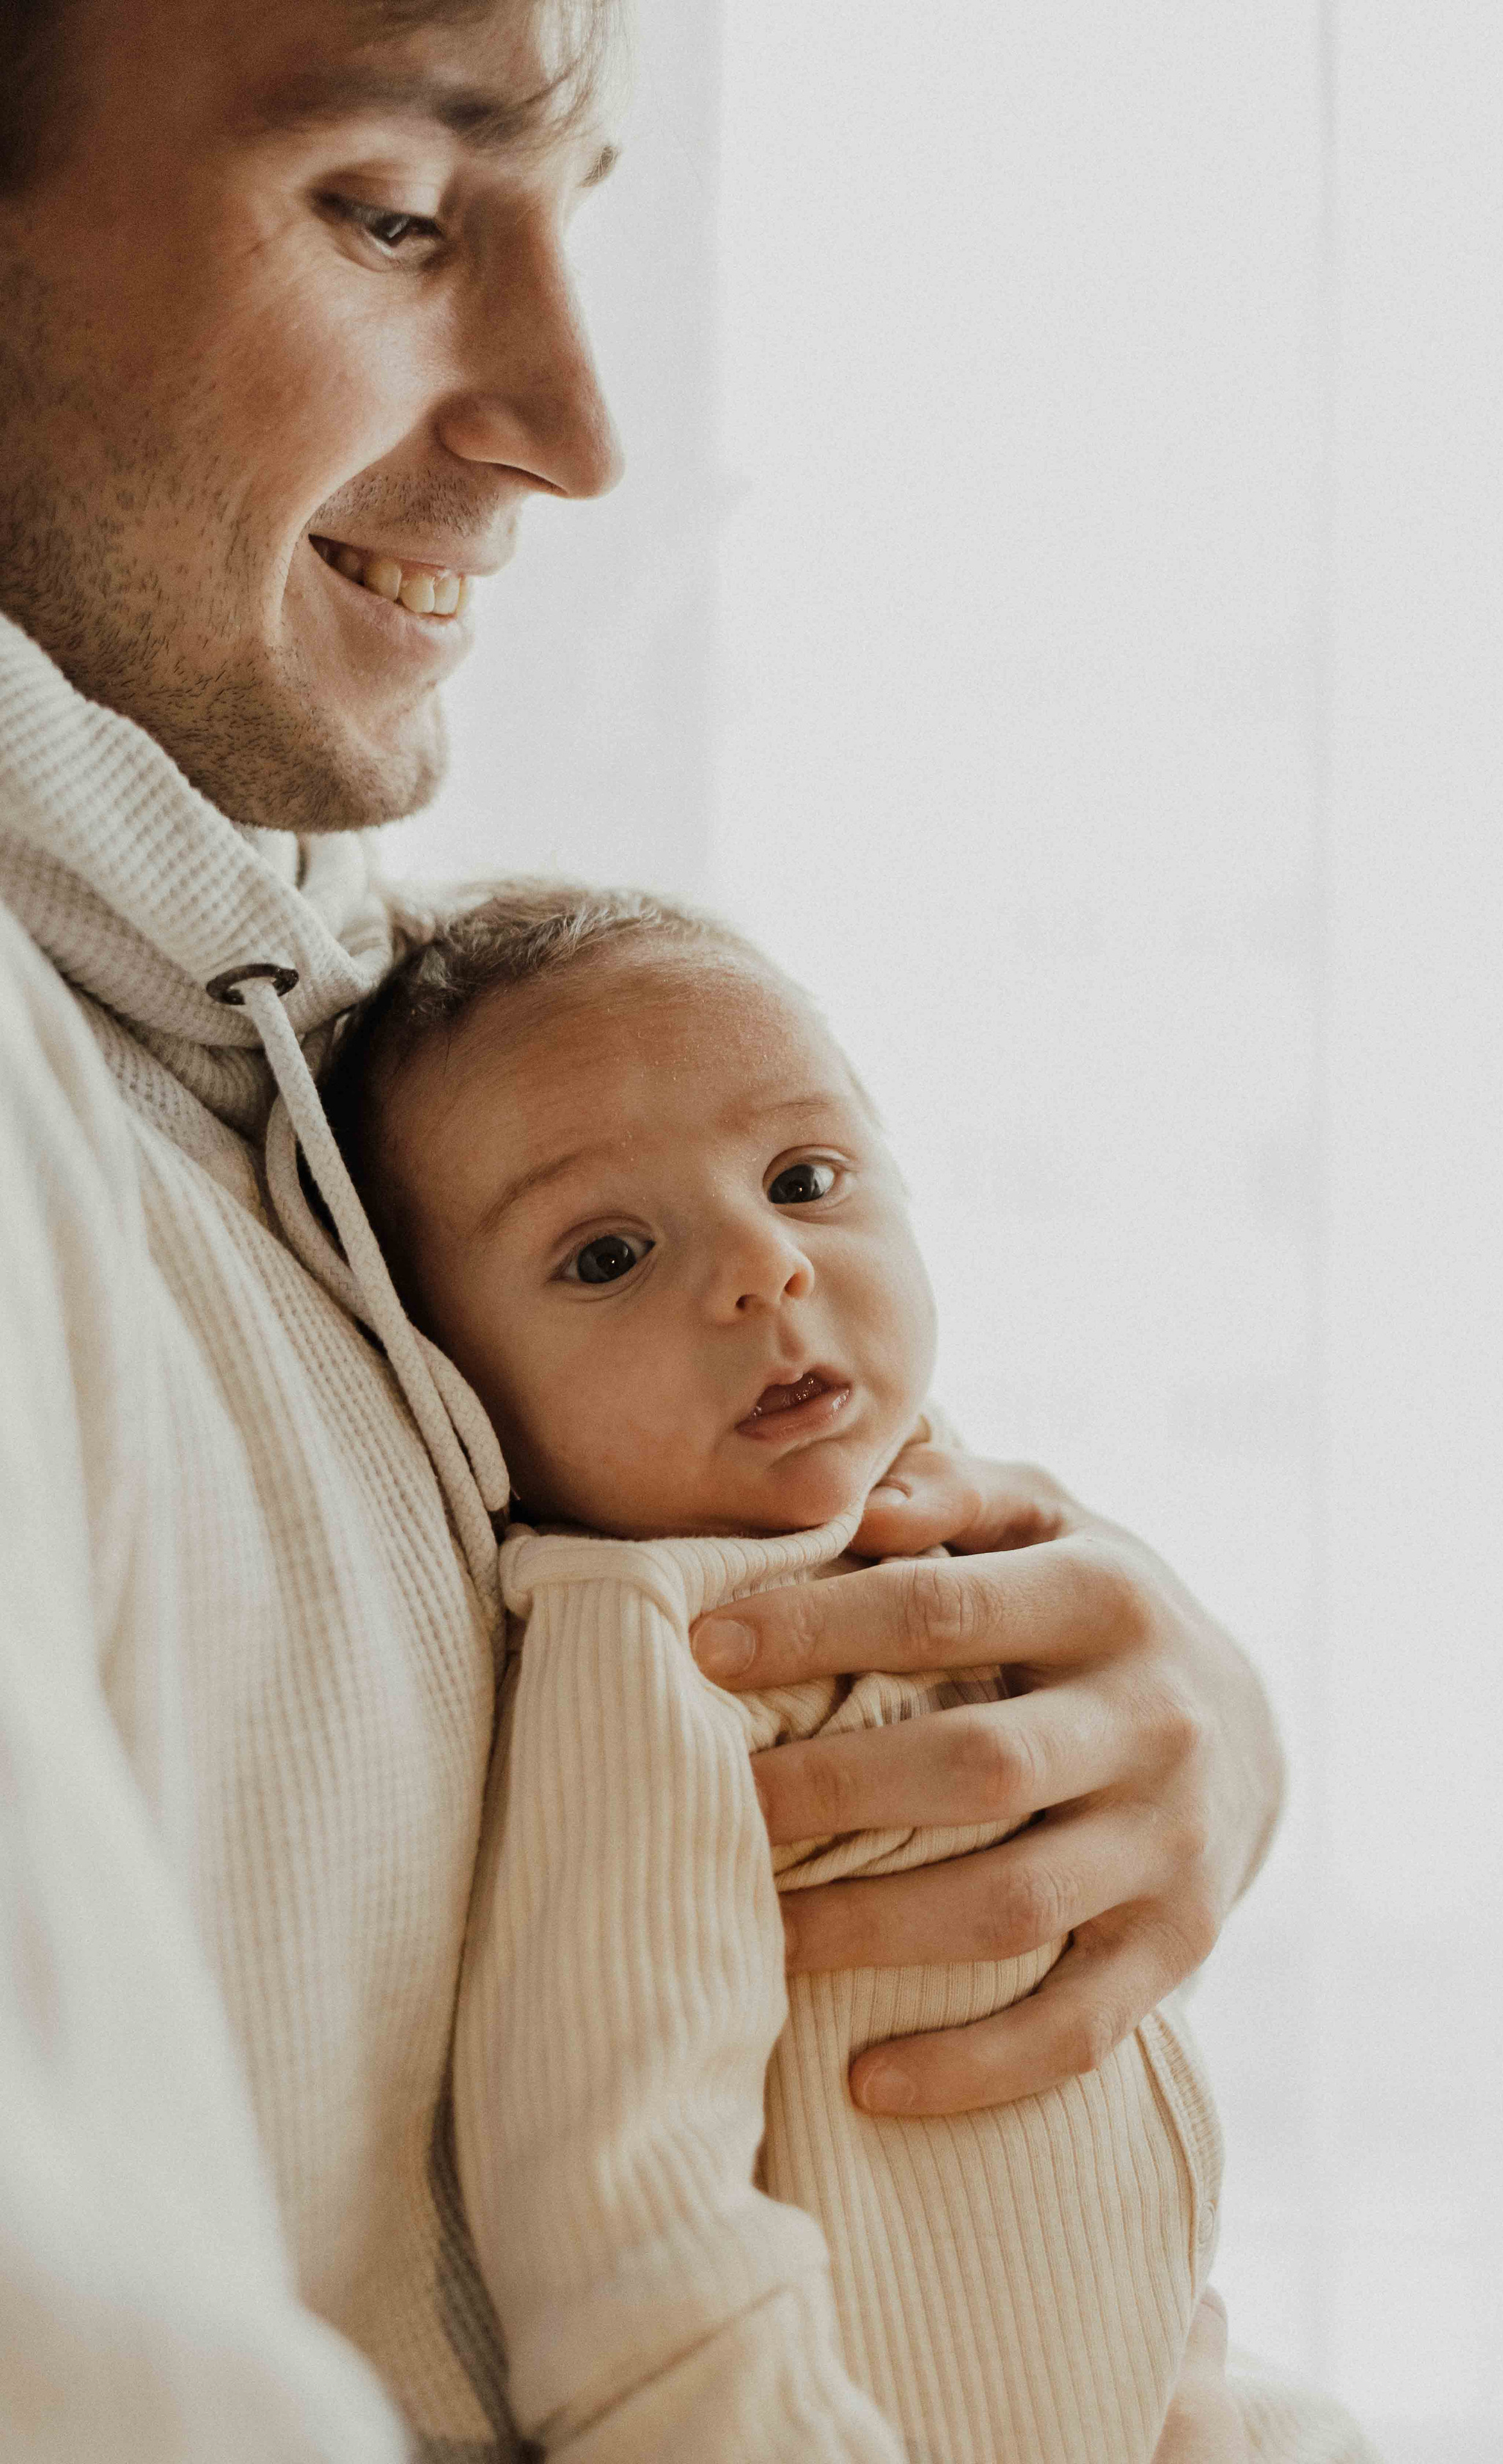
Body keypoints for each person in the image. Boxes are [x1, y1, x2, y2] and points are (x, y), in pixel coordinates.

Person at [0, 0, 1282, 2454]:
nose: (580, 433)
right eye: (391, 208)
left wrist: (1169, 1733)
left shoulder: (344, 1030)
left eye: (576, 212)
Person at [315, 877, 1375, 2464]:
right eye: (606, 1255)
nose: (761, 1266)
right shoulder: (647, 1650)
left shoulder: (969, 1527)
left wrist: (1176, 2352)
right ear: (450, 1384)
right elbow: (622, 2195)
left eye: (804, 1176)